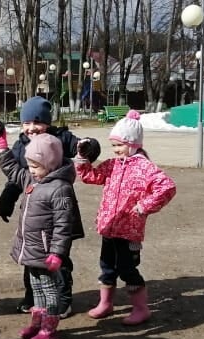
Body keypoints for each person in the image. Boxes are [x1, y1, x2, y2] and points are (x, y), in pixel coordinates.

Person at [0, 96, 100, 317]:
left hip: (58, 211)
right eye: (26, 123)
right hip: (35, 215)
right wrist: (8, 197)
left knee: (59, 260)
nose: (31, 128)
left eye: (37, 122)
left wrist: (89, 146)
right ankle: (32, 297)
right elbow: (16, 175)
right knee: (30, 258)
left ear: (48, 122)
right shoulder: (21, 144)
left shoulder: (60, 137)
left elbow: (82, 147)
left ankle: (63, 300)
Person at [75, 110, 176, 325]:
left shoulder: (144, 167)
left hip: (129, 230)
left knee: (127, 268)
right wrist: (82, 159)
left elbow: (167, 187)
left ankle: (141, 308)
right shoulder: (113, 165)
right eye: (114, 146)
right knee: (107, 266)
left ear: (133, 143)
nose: (116, 150)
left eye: (119, 145)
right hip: (110, 227)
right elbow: (90, 176)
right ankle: (106, 303)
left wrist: (144, 206)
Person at [0, 131, 79, 339]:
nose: (31, 170)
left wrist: (57, 253)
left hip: (46, 251)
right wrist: (2, 146)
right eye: (29, 164)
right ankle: (38, 321)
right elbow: (12, 171)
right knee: (36, 287)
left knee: (50, 289)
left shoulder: (61, 188)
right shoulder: (32, 178)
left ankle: (49, 328)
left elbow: (64, 224)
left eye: (35, 165)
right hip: (30, 248)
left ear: (50, 164)